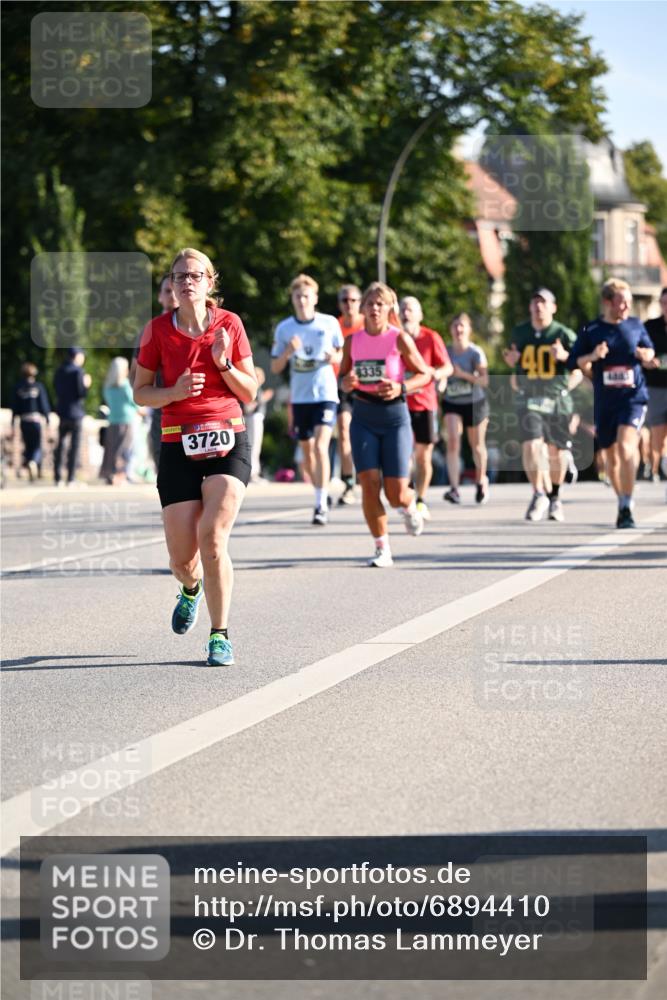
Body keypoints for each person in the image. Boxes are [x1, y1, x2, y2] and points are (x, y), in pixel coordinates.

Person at [134, 248, 258, 666]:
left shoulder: (230, 325)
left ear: (210, 282)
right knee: (182, 559)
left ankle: (220, 634)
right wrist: (174, 393)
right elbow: (140, 392)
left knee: (213, 537)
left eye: (194, 275)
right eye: (179, 276)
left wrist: (222, 362)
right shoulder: (156, 331)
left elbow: (250, 391)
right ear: (171, 285)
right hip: (177, 443)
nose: (186, 282)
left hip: (227, 441)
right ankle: (191, 589)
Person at [339, 281, 431, 567]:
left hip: (394, 418)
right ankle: (382, 547)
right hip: (364, 417)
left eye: (381, 304)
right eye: (370, 303)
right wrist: (347, 382)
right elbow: (342, 379)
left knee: (394, 493)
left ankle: (408, 504)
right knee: (368, 484)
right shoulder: (353, 341)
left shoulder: (399, 338)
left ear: (389, 308)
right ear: (363, 308)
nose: (375, 308)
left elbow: (425, 374)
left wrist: (401, 387)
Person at [567, 278, 655, 528]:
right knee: (611, 457)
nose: (627, 306)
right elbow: (572, 362)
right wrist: (593, 356)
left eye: (628, 301)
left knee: (627, 447)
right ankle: (622, 500)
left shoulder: (636, 325)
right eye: (622, 301)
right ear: (607, 302)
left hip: (633, 397)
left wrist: (645, 355)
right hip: (605, 400)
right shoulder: (591, 329)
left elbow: (649, 351)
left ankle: (627, 505)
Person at [270, 274, 343, 525]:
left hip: (325, 394)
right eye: (297, 296)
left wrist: (334, 357)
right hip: (300, 398)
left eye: (306, 296)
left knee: (321, 446)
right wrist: (289, 351)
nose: (302, 300)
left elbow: (341, 354)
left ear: (315, 298)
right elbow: (276, 367)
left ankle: (321, 504)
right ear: (292, 299)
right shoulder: (284, 329)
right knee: (307, 452)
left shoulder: (329, 323)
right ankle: (319, 490)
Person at [503, 288, 580, 522]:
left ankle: (555, 497)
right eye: (535, 302)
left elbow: (578, 368)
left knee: (556, 453)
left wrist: (565, 359)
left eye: (544, 302)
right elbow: (514, 366)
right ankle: (538, 493)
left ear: (553, 307)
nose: (539, 307)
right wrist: (512, 362)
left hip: (556, 400)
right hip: (530, 399)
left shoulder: (563, 334)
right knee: (531, 445)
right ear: (530, 307)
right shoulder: (520, 332)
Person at [398, 296, 452, 520]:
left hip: (425, 403)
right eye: (402, 309)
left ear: (420, 315)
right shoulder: (394, 338)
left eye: (411, 309)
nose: (406, 313)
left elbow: (447, 366)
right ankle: (406, 496)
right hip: (399, 404)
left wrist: (438, 375)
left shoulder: (431, 337)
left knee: (423, 456)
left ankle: (420, 500)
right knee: (403, 456)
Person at [131, 274, 179, 471]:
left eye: (176, 290)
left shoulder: (198, 327)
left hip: (195, 410)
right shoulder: (149, 331)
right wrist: (141, 400)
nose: (173, 295)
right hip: (162, 409)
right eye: (168, 291)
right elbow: (134, 372)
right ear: (159, 297)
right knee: (167, 472)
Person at [441, 312, 490, 504]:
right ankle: (454, 489)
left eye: (462, 325)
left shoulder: (475, 352)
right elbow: (442, 373)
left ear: (469, 329)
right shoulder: (446, 351)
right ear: (450, 330)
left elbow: (484, 380)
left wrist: (462, 374)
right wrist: (442, 382)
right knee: (453, 441)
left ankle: (481, 481)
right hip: (452, 401)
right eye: (455, 326)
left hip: (475, 403)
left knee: (476, 446)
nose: (458, 329)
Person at [336, 284, 365, 504]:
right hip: (343, 386)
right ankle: (348, 483)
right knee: (344, 431)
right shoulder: (333, 326)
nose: (349, 304)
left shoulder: (368, 324)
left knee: (366, 435)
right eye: (345, 300)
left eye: (353, 300)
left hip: (368, 387)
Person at [53, 346, 91, 487]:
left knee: (61, 444)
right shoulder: (78, 371)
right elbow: (81, 393)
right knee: (74, 446)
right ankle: (71, 478)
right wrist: (86, 385)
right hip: (76, 413)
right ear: (77, 356)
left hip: (62, 411)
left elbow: (56, 388)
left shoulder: (60, 370)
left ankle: (57, 477)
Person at [100, 357, 141, 484]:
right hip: (127, 420)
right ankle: (120, 475)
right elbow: (134, 402)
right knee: (124, 449)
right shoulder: (125, 386)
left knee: (111, 449)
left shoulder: (107, 387)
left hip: (112, 420)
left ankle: (109, 473)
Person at [10, 362, 52, 481]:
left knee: (28, 445)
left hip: (24, 421)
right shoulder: (39, 387)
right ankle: (33, 461)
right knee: (37, 445)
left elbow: (15, 408)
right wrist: (48, 421)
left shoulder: (18, 388)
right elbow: (44, 406)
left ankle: (30, 463)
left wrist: (12, 424)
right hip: (36, 421)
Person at [644, 287, 667, 483]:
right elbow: (639, 349)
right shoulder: (650, 327)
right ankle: (655, 468)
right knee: (657, 431)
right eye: (664, 303)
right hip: (656, 386)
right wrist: (647, 361)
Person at [244, 365, 274, 481]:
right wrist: (264, 398)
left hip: (255, 418)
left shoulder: (257, 389)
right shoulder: (254, 389)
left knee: (254, 446)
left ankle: (253, 472)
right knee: (254, 445)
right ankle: (253, 473)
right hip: (253, 418)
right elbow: (248, 407)